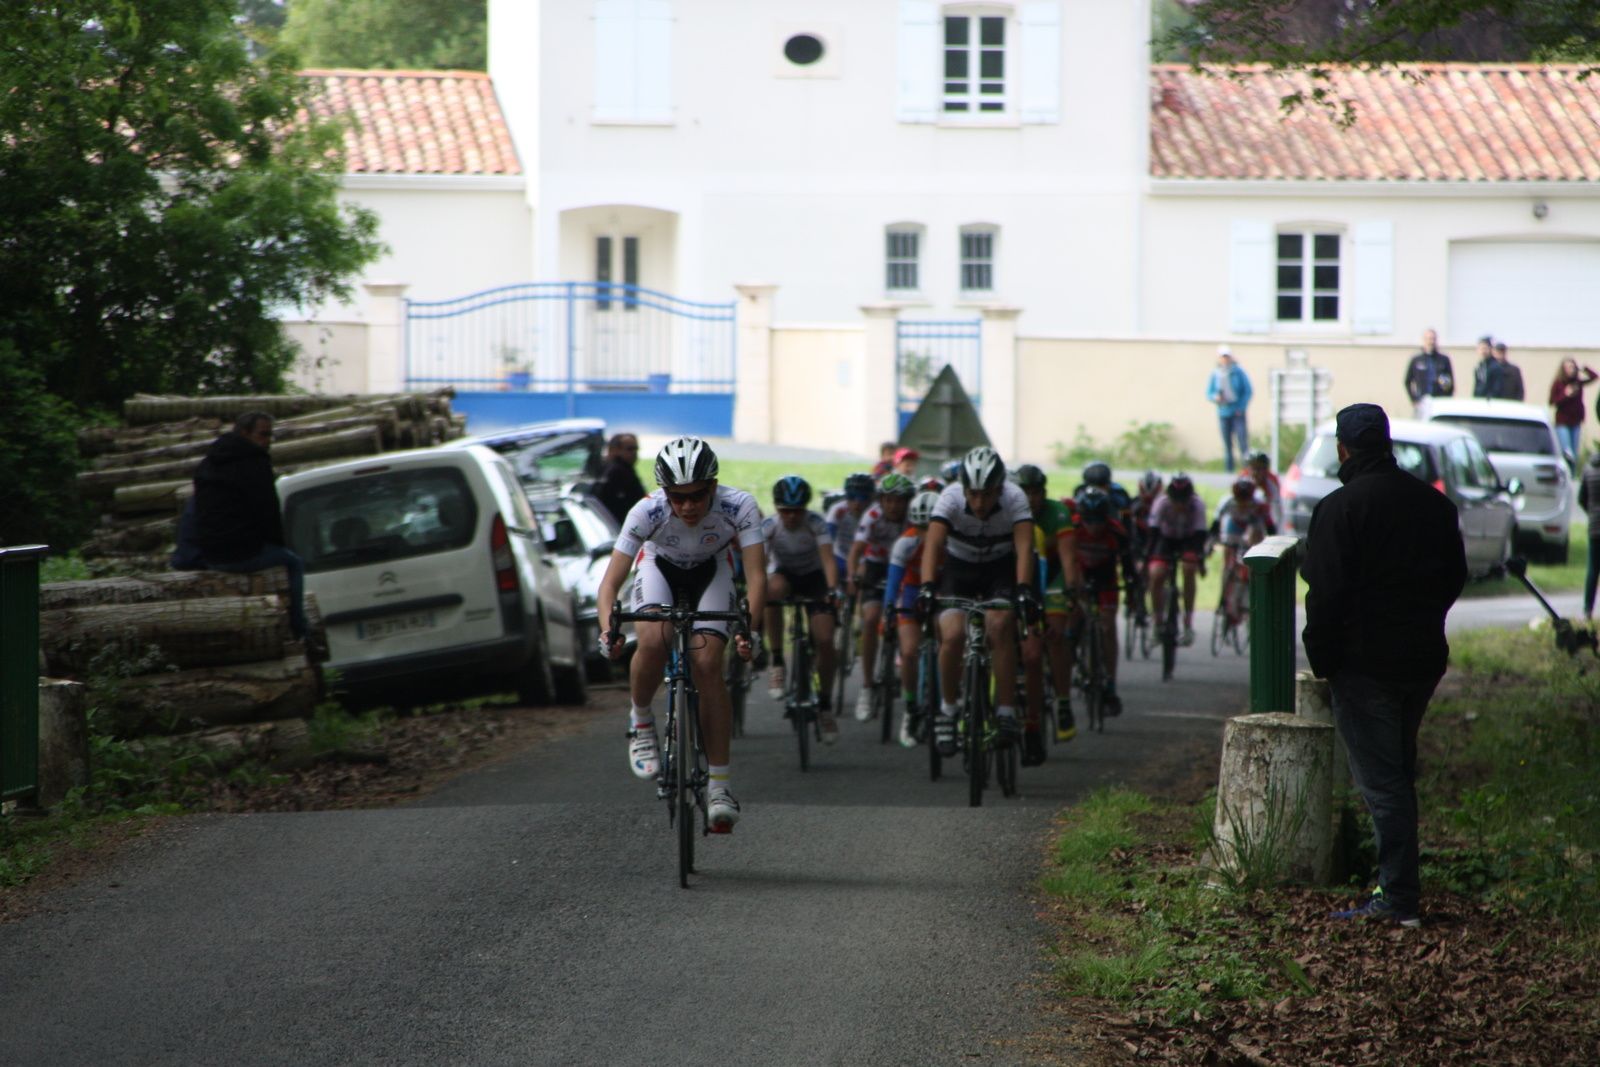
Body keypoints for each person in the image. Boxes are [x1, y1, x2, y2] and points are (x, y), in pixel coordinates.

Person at [1303, 403, 1467, 927]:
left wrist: (1326, 658)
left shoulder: (1340, 508)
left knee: (1383, 783)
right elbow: (1455, 577)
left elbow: (1324, 595)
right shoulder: (1433, 505)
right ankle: (1395, 887)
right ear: (1388, 444)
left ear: (1343, 449)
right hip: (1421, 660)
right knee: (1397, 772)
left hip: (1365, 665)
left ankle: (1398, 901)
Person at [596, 436, 767, 833]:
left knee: (707, 662)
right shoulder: (646, 511)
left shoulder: (739, 506)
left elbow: (757, 576)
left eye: (697, 495)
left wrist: (750, 630)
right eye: (678, 497)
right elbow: (609, 585)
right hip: (660, 568)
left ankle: (720, 789)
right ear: (664, 492)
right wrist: (608, 630)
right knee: (654, 640)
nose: (688, 506)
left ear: (713, 486)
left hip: (712, 569)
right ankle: (640, 721)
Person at [915, 447, 1036, 756]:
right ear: (963, 489)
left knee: (1000, 626)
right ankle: (948, 709)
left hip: (999, 568)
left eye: (987, 494)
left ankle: (1006, 713)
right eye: (973, 494)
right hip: (959, 568)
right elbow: (933, 546)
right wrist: (928, 586)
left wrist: (1023, 589)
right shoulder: (950, 497)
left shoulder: (1015, 498)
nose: (979, 503)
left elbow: (1024, 548)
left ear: (1001, 488)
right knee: (953, 634)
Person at [191, 412, 308, 638]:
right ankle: (299, 628)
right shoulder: (255, 461)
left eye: (271, 435)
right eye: (263, 434)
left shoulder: (208, 463)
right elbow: (268, 511)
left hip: (210, 555)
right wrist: (278, 544)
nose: (268, 441)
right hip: (241, 553)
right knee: (293, 563)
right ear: (244, 433)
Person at [762, 476, 841, 741]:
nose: (792, 516)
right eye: (786, 510)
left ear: (805, 509)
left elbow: (829, 560)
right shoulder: (770, 526)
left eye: (797, 511)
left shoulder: (816, 523)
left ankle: (826, 706)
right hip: (785, 576)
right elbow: (759, 564)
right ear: (776, 507)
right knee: (769, 592)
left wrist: (832, 590)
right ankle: (777, 660)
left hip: (814, 579)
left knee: (826, 640)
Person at [1014, 464, 1078, 758]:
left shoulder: (1058, 514)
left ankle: (1063, 700)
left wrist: (1071, 591)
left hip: (1052, 577)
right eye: (1024, 492)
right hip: (1019, 577)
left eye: (1036, 492)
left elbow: (1067, 558)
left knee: (1054, 635)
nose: (1030, 498)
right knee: (1027, 649)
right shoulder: (1007, 511)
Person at [848, 472, 916, 720]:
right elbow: (856, 550)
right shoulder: (873, 515)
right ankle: (867, 686)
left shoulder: (912, 517)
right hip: (876, 567)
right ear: (881, 501)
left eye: (899, 500)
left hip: (906, 568)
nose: (893, 505)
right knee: (871, 618)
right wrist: (853, 576)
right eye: (888, 500)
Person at [1065, 486, 1133, 717]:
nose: (1093, 527)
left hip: (1106, 576)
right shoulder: (1072, 528)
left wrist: (1132, 587)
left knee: (1107, 626)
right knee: (1072, 616)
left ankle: (1111, 684)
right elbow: (1067, 559)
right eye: (1088, 521)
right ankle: (1072, 653)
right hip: (1079, 571)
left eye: (1098, 521)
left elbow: (1128, 565)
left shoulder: (1117, 532)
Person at [881, 490, 942, 747]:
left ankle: (947, 702)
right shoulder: (905, 543)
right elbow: (893, 584)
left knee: (951, 641)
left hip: (942, 592)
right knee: (908, 652)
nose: (924, 533)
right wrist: (888, 613)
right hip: (912, 594)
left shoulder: (952, 543)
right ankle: (910, 706)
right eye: (919, 527)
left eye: (929, 527)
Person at [1147, 472, 1207, 646]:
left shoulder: (1197, 505)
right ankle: (1157, 622)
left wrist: (1200, 561)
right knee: (1156, 574)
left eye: (1184, 500)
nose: (1180, 504)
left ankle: (1188, 624)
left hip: (1188, 540)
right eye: (1176, 500)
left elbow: (1200, 536)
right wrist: (1147, 560)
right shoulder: (1161, 503)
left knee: (1189, 569)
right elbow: (1153, 534)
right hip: (1165, 539)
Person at [1206, 345, 1253, 472]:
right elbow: (1209, 393)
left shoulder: (1239, 372)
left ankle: (1247, 470)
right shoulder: (1216, 374)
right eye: (1222, 357)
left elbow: (1247, 391)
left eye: (1227, 357)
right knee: (1227, 444)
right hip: (1223, 412)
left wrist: (1241, 407)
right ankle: (1229, 470)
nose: (1225, 359)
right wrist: (1215, 397)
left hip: (1237, 413)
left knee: (1242, 442)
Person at [1549, 357, 1598, 464]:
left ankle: (1572, 474)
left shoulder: (1577, 382)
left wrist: (1584, 368)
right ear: (1563, 369)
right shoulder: (1559, 383)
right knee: (1567, 451)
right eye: (1568, 367)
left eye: (1572, 367)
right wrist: (1565, 394)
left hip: (1575, 421)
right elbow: (1552, 402)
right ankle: (1565, 473)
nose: (1571, 369)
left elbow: (1595, 377)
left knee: (1574, 453)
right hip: (1562, 422)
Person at [591, 432, 646, 525]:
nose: (634, 453)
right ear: (615, 450)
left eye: (636, 449)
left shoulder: (610, 468)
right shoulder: (619, 471)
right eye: (630, 449)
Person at [1403, 328, 1455, 409]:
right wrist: (1414, 400)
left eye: (1433, 339)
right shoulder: (1416, 360)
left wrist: (1447, 399)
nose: (1431, 342)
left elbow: (1450, 383)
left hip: (1440, 402)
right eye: (1429, 339)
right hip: (1422, 401)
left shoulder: (1444, 360)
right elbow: (1407, 381)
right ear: (1424, 340)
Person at [1580, 448, 1600, 620]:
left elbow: (1582, 498)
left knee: (1593, 569)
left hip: (1594, 526)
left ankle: (1588, 609)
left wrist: (1591, 513)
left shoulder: (1588, 469)